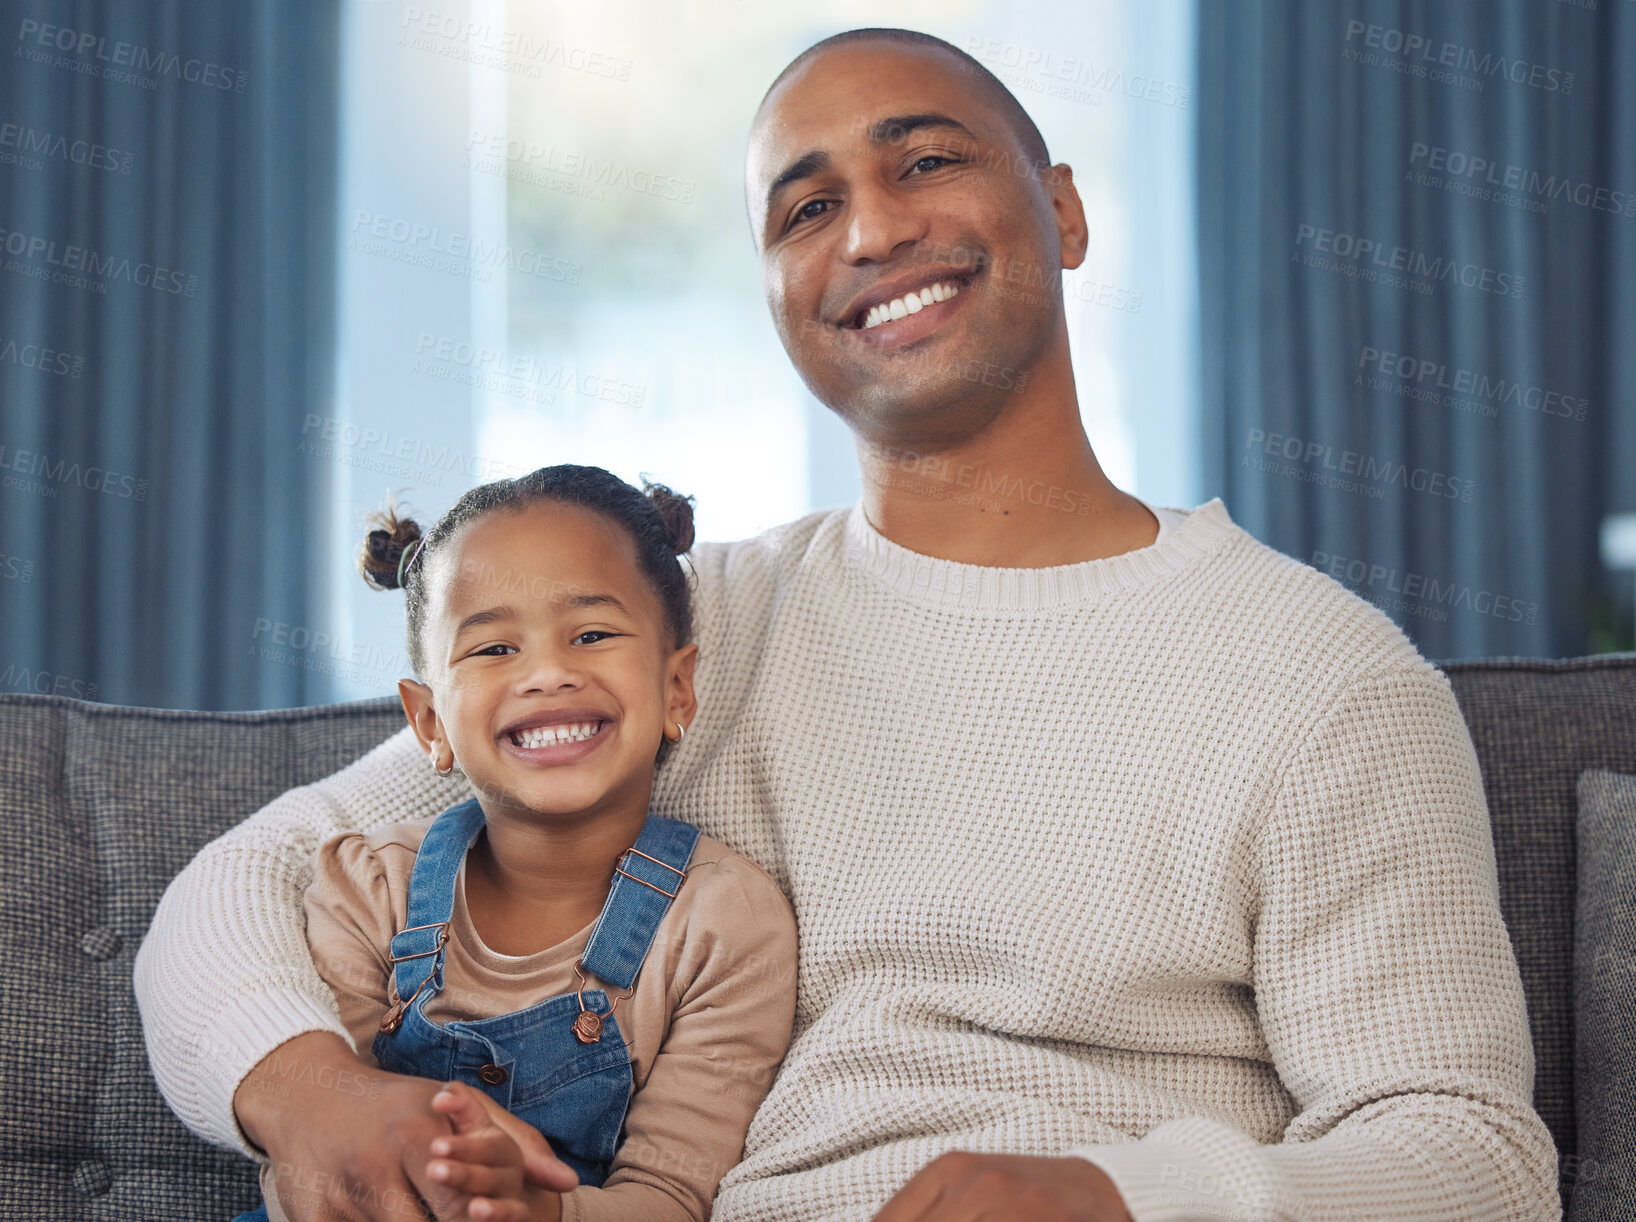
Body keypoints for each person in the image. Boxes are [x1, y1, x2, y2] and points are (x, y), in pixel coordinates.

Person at [137, 26, 1559, 1222]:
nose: (873, 230)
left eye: (926, 160)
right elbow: (242, 889)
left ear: (1061, 210)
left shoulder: (1323, 676)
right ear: (777, 296)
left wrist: (1119, 1196)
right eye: (806, 209)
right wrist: (315, 1093)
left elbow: (1474, 1155)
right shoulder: (687, 636)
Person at [224, 466, 797, 1222]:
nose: (549, 674)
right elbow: (317, 1147)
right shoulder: (369, 888)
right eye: (494, 649)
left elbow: (669, 1197)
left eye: (591, 634)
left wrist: (542, 1211)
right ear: (429, 723)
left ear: (677, 690)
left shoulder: (723, 924)